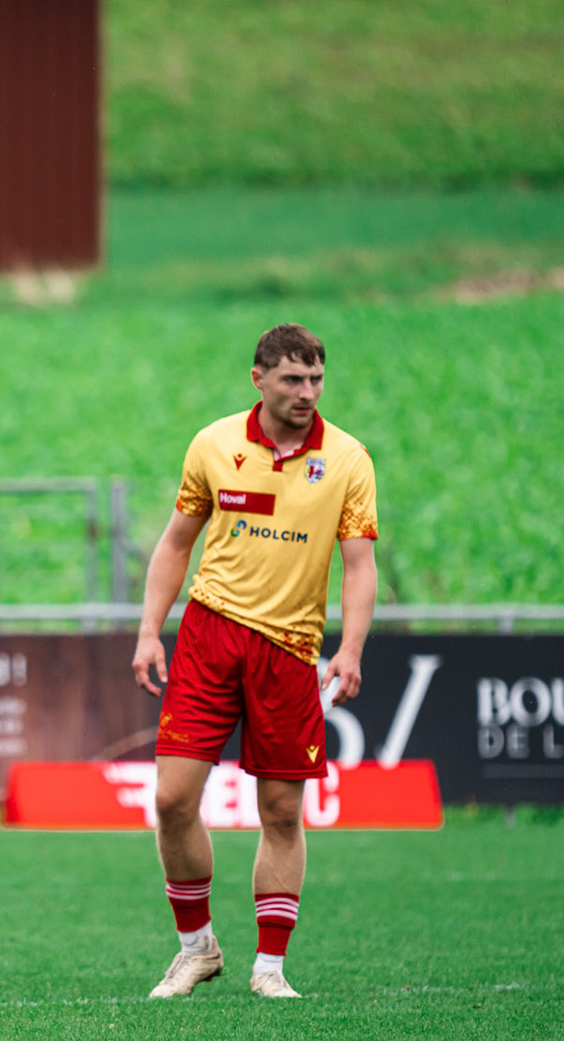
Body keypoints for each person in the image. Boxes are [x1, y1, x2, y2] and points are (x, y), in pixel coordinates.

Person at [130, 324, 378, 999]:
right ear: (259, 379)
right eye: (294, 379)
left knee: (279, 811)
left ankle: (269, 968)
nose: (308, 392)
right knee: (172, 797)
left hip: (291, 651)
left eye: (317, 379)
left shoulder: (349, 459)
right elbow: (177, 542)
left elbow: (359, 567)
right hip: (209, 637)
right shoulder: (214, 444)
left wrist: (350, 648)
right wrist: (151, 631)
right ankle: (196, 948)